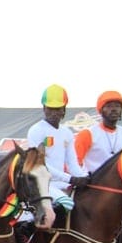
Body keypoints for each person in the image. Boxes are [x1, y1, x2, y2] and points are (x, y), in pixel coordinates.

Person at [25, 85, 88, 215]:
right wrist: (70, 179)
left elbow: (72, 164)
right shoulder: (36, 130)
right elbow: (40, 165)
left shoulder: (67, 133)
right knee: (67, 203)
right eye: (50, 108)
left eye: (57, 109)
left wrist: (84, 177)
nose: (54, 113)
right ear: (44, 109)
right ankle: (34, 224)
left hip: (61, 183)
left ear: (64, 110)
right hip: (41, 183)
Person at [74, 91, 122, 173]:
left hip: (121, 179)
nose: (114, 109)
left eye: (117, 106)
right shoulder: (87, 133)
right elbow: (74, 161)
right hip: (92, 179)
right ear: (101, 110)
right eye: (109, 106)